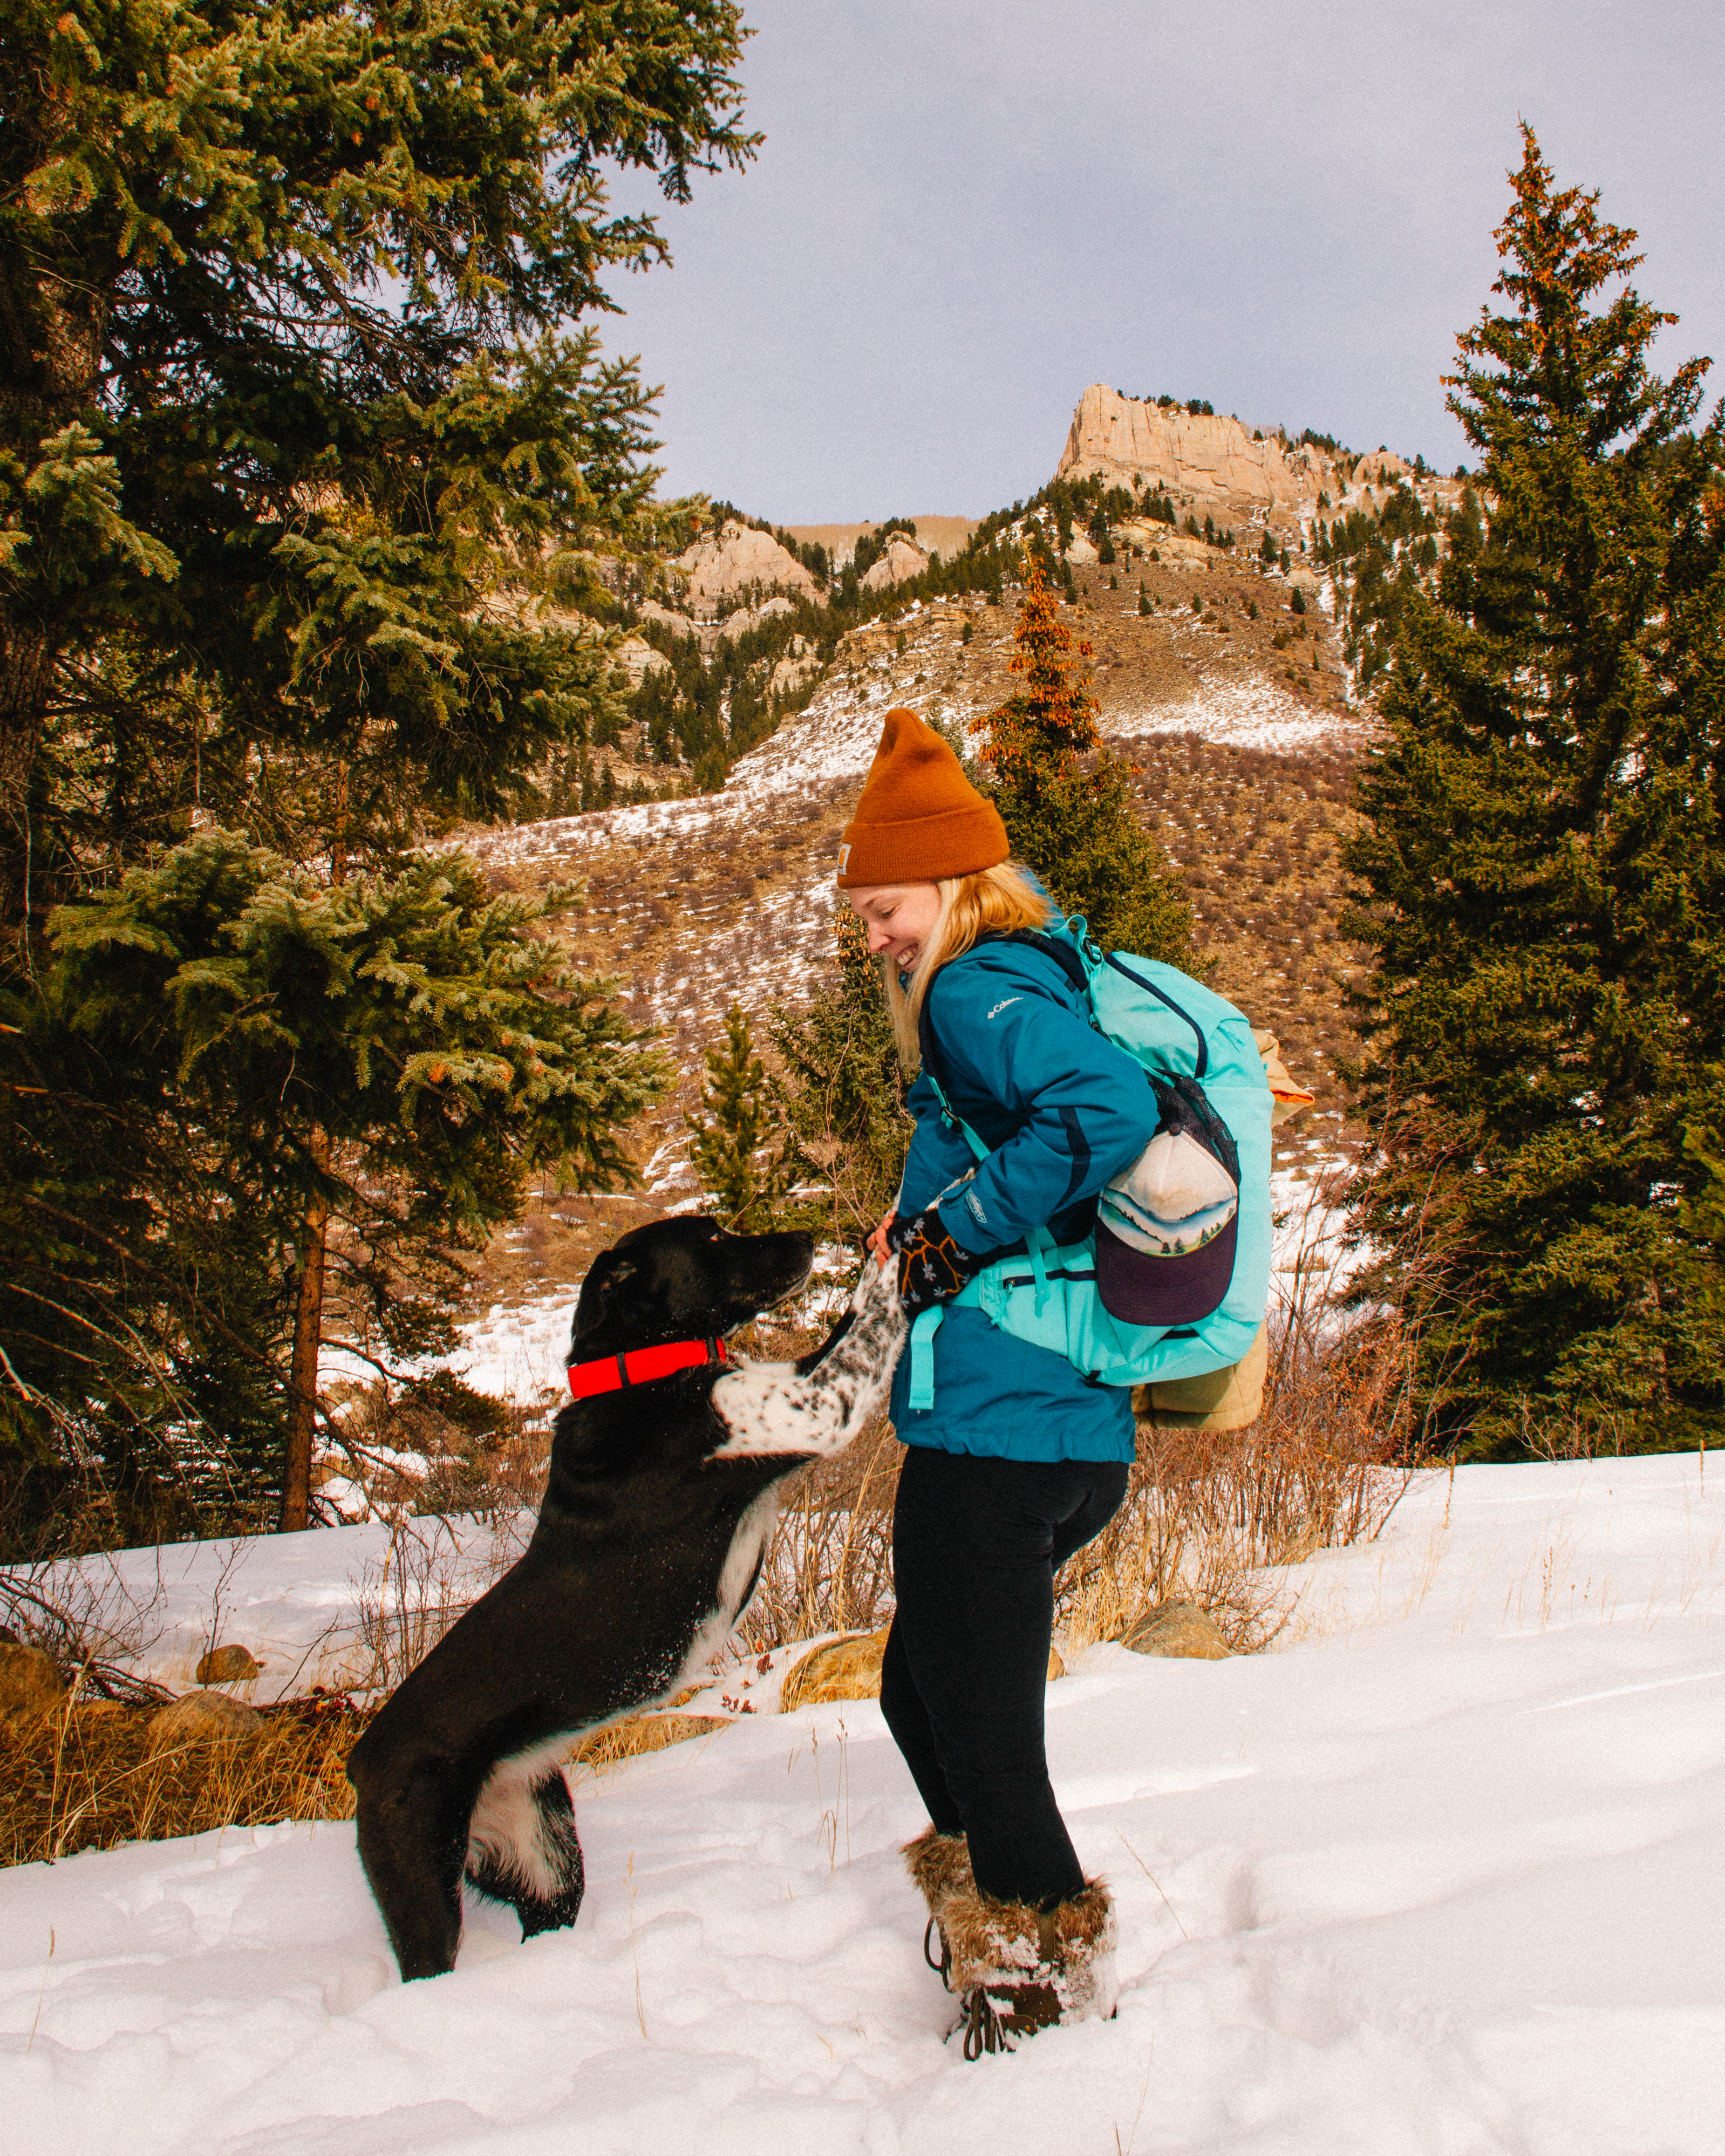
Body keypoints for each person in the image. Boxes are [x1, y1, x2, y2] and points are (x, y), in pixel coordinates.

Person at [837, 707, 1159, 2056]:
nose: (875, 938)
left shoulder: (973, 987)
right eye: (862, 914)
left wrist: (952, 1233)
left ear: (953, 887)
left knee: (979, 1720)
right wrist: (918, 1222)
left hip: (1002, 1430)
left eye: (888, 906)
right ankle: (999, 1920)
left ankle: (1033, 1987)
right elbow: (1031, 1138)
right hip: (1055, 1422)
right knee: (920, 1688)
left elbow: (1105, 1114)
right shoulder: (1033, 969)